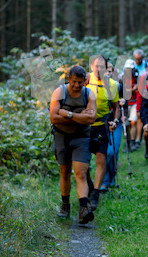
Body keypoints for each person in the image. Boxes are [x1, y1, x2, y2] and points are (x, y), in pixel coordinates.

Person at [49, 65, 97, 224]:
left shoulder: (89, 94)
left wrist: (67, 113)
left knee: (81, 173)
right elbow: (54, 118)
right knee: (65, 172)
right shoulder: (59, 92)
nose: (77, 85)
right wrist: (79, 116)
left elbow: (91, 119)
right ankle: (65, 205)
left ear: (86, 80)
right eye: (74, 82)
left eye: (81, 82)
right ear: (68, 79)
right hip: (61, 136)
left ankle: (84, 208)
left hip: (82, 137)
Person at [87, 55, 121, 211]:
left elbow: (116, 106)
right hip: (85, 125)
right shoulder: (85, 81)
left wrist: (115, 120)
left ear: (106, 68)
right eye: (96, 66)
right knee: (83, 163)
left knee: (101, 159)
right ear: (92, 67)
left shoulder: (112, 84)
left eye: (102, 66)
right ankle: (88, 184)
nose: (98, 69)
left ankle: (95, 193)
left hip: (102, 125)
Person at [102, 61, 123, 191]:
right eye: (106, 71)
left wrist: (123, 102)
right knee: (105, 153)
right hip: (102, 123)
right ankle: (105, 180)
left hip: (116, 122)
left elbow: (122, 105)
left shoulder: (118, 86)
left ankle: (111, 175)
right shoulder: (96, 86)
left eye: (110, 71)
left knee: (112, 151)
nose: (108, 73)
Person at [123, 59, 140, 151]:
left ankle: (133, 142)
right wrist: (131, 90)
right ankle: (127, 142)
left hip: (134, 102)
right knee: (125, 124)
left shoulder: (136, 77)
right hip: (125, 103)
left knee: (133, 122)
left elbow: (137, 88)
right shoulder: (122, 78)